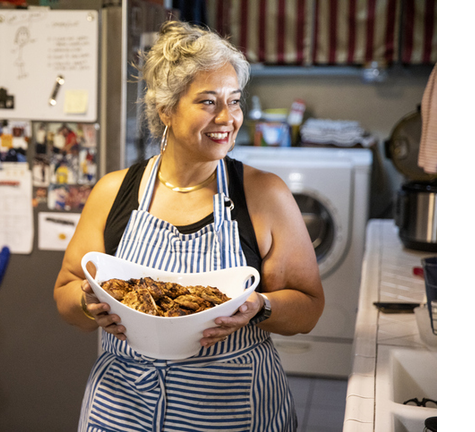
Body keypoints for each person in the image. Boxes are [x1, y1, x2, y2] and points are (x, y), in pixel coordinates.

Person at [55, 20, 325, 431]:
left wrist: (257, 307)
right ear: (166, 109)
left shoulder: (264, 195)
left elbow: (308, 307)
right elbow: (65, 294)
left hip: (232, 409)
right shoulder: (113, 193)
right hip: (122, 409)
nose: (227, 118)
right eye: (208, 102)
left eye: (234, 101)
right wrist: (88, 304)